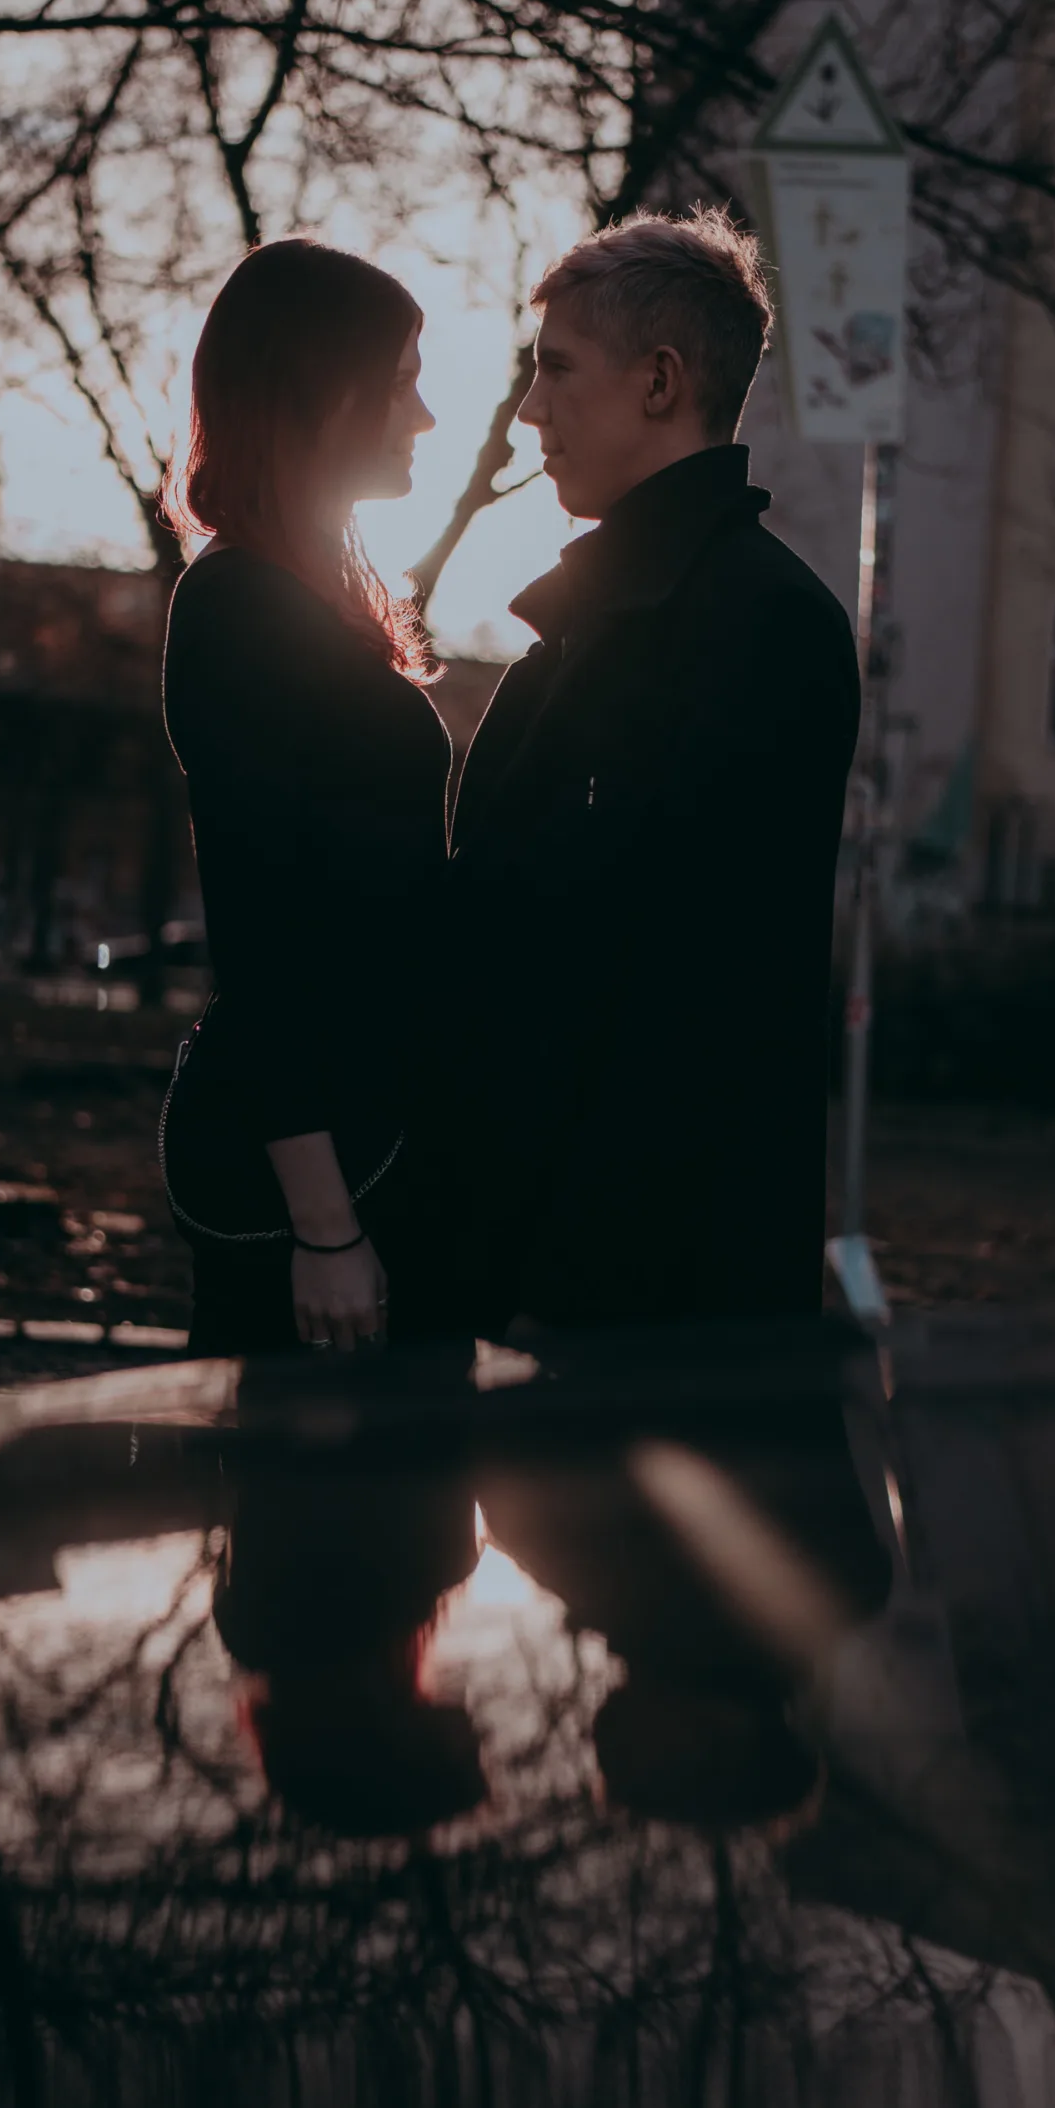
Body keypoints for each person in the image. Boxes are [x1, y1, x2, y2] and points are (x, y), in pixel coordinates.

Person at [443, 208, 860, 1333]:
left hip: (641, 1293)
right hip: (566, 1262)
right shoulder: (615, 612)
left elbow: (672, 988)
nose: (530, 409)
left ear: (659, 381)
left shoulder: (752, 625)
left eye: (555, 369)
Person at [159, 238, 448, 1356]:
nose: (421, 416)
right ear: (324, 389)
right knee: (316, 1522)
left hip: (359, 1146)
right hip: (312, 1176)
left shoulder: (307, 598)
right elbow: (262, 934)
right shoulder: (238, 607)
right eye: (402, 380)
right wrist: (324, 1228)